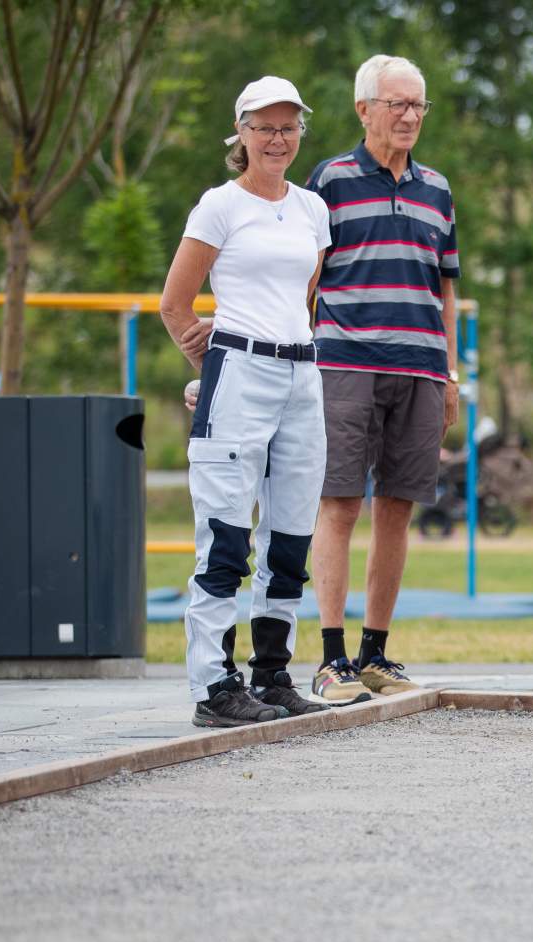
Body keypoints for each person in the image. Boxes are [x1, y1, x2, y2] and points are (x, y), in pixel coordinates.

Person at [159, 76, 332, 727]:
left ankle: (272, 674)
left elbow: (301, 300)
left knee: (289, 536)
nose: (277, 138)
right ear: (242, 133)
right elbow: (175, 304)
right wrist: (213, 372)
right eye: (265, 127)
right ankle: (214, 686)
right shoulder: (219, 206)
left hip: (301, 375)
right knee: (226, 536)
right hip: (240, 372)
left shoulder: (312, 210)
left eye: (288, 127)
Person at [304, 55, 462, 704]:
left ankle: (374, 655)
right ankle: (330, 660)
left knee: (396, 509)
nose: (409, 116)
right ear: (363, 109)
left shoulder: (438, 189)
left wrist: (449, 373)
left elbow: (446, 290)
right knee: (340, 504)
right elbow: (307, 279)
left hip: (421, 369)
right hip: (344, 364)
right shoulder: (330, 181)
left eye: (418, 105)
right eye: (397, 103)